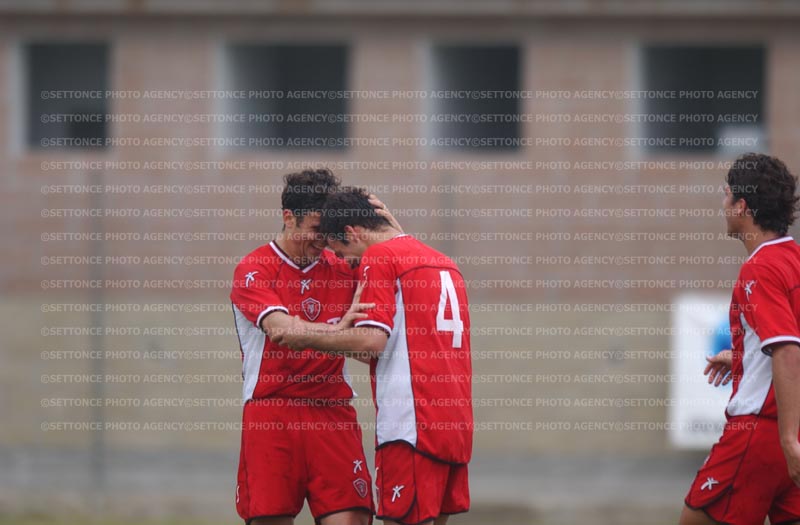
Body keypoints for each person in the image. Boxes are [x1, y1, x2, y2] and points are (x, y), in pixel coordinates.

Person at [273, 187, 473, 525]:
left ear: (352, 232)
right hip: (454, 426)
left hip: (411, 426)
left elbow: (371, 343)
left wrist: (304, 335)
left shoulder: (380, 258)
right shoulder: (443, 262)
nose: (350, 264)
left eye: (343, 253)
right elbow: (405, 345)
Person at [231, 169, 398, 525]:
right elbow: (281, 331)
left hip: (332, 410)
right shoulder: (254, 269)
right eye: (316, 228)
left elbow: (398, 271)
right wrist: (338, 330)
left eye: (329, 230)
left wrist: (391, 229)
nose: (324, 239)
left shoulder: (344, 267)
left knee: (353, 518)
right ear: (288, 217)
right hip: (273, 412)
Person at [680, 153, 800, 525]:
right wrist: (744, 360)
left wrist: (787, 440)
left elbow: (787, 350)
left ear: (742, 206)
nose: (723, 204)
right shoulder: (795, 259)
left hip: (760, 433)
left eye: (726, 195)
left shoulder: (759, 269)